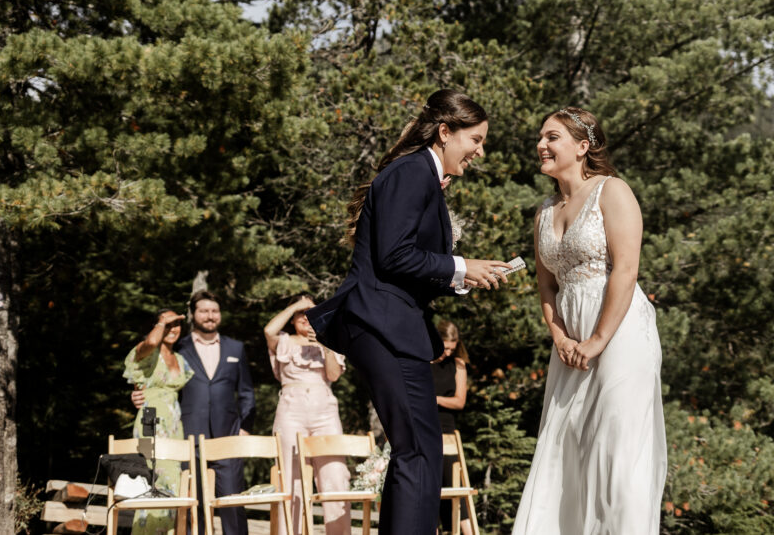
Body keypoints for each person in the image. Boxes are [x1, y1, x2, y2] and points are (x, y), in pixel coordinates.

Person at [306, 88, 512, 535]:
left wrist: (464, 276)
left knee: (414, 449)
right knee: (420, 450)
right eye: (475, 139)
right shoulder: (413, 172)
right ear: (445, 132)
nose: (480, 150)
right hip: (384, 326)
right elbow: (394, 256)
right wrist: (460, 264)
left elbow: (404, 261)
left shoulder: (421, 175)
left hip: (389, 324)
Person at [512, 108, 666, 533]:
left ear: (583, 147)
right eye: (540, 137)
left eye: (552, 137)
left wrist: (598, 339)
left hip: (618, 332)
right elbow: (546, 285)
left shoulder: (612, 191)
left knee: (615, 450)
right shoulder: (544, 211)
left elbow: (626, 269)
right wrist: (559, 335)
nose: (541, 145)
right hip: (569, 340)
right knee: (564, 446)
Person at [133, 290, 256, 535]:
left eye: (214, 311)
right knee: (192, 505)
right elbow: (152, 368)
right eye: (204, 311)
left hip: (228, 438)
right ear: (193, 315)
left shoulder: (236, 348)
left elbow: (247, 393)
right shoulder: (180, 346)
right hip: (189, 437)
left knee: (233, 504)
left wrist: (245, 427)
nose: (210, 316)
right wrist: (138, 393)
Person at [264, 294, 351, 535]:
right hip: (291, 410)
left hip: (325, 410)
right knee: (291, 476)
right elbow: (268, 330)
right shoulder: (283, 340)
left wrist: (324, 343)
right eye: (300, 315)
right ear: (292, 319)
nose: (305, 317)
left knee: (335, 474)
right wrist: (298, 305)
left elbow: (333, 375)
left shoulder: (330, 340)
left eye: (310, 313)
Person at [124, 309, 194, 535]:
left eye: (176, 324)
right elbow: (152, 342)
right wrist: (163, 321)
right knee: (153, 481)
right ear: (156, 326)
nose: (173, 329)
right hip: (149, 421)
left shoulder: (181, 360)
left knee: (173, 482)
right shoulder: (147, 352)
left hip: (174, 424)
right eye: (167, 324)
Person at [430, 320, 474, 535]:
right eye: (444, 347)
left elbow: (459, 401)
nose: (447, 352)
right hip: (424, 428)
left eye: (452, 347)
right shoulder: (421, 362)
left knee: (453, 486)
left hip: (447, 430)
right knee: (430, 490)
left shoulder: (458, 365)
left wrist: (434, 399)